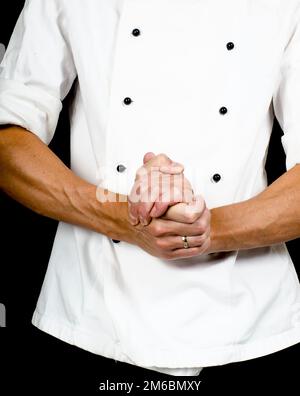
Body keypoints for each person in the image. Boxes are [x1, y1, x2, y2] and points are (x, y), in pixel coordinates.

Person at [0, 0, 300, 378]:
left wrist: (203, 230)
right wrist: (122, 219)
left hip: (250, 325)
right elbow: (7, 141)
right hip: (93, 317)